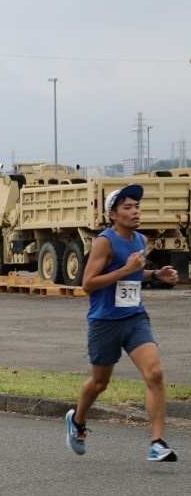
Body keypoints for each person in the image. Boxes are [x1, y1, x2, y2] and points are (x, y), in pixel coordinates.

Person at [66, 185, 179, 463]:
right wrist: (126, 269)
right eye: (127, 207)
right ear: (112, 214)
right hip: (105, 322)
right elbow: (88, 284)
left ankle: (157, 443)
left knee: (154, 373)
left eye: (137, 206)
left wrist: (154, 275)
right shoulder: (104, 242)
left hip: (135, 318)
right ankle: (77, 421)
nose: (135, 211)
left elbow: (133, 275)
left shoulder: (140, 239)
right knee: (100, 382)